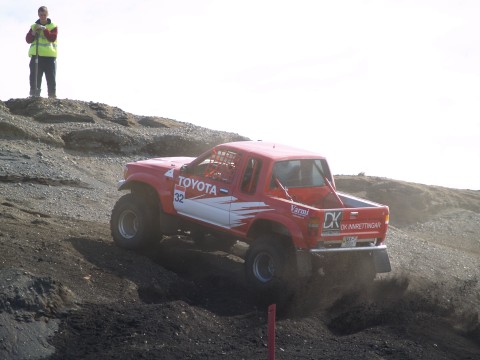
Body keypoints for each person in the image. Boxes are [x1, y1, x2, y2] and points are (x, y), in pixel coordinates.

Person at [25, 6, 58, 98]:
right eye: (41, 15)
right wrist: (33, 32)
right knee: (35, 77)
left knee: (50, 77)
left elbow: (52, 38)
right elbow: (28, 40)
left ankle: (52, 96)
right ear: (38, 15)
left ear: (47, 14)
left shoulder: (53, 26)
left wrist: (44, 29)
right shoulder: (33, 26)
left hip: (49, 56)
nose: (42, 16)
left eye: (44, 14)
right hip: (36, 56)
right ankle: (34, 96)